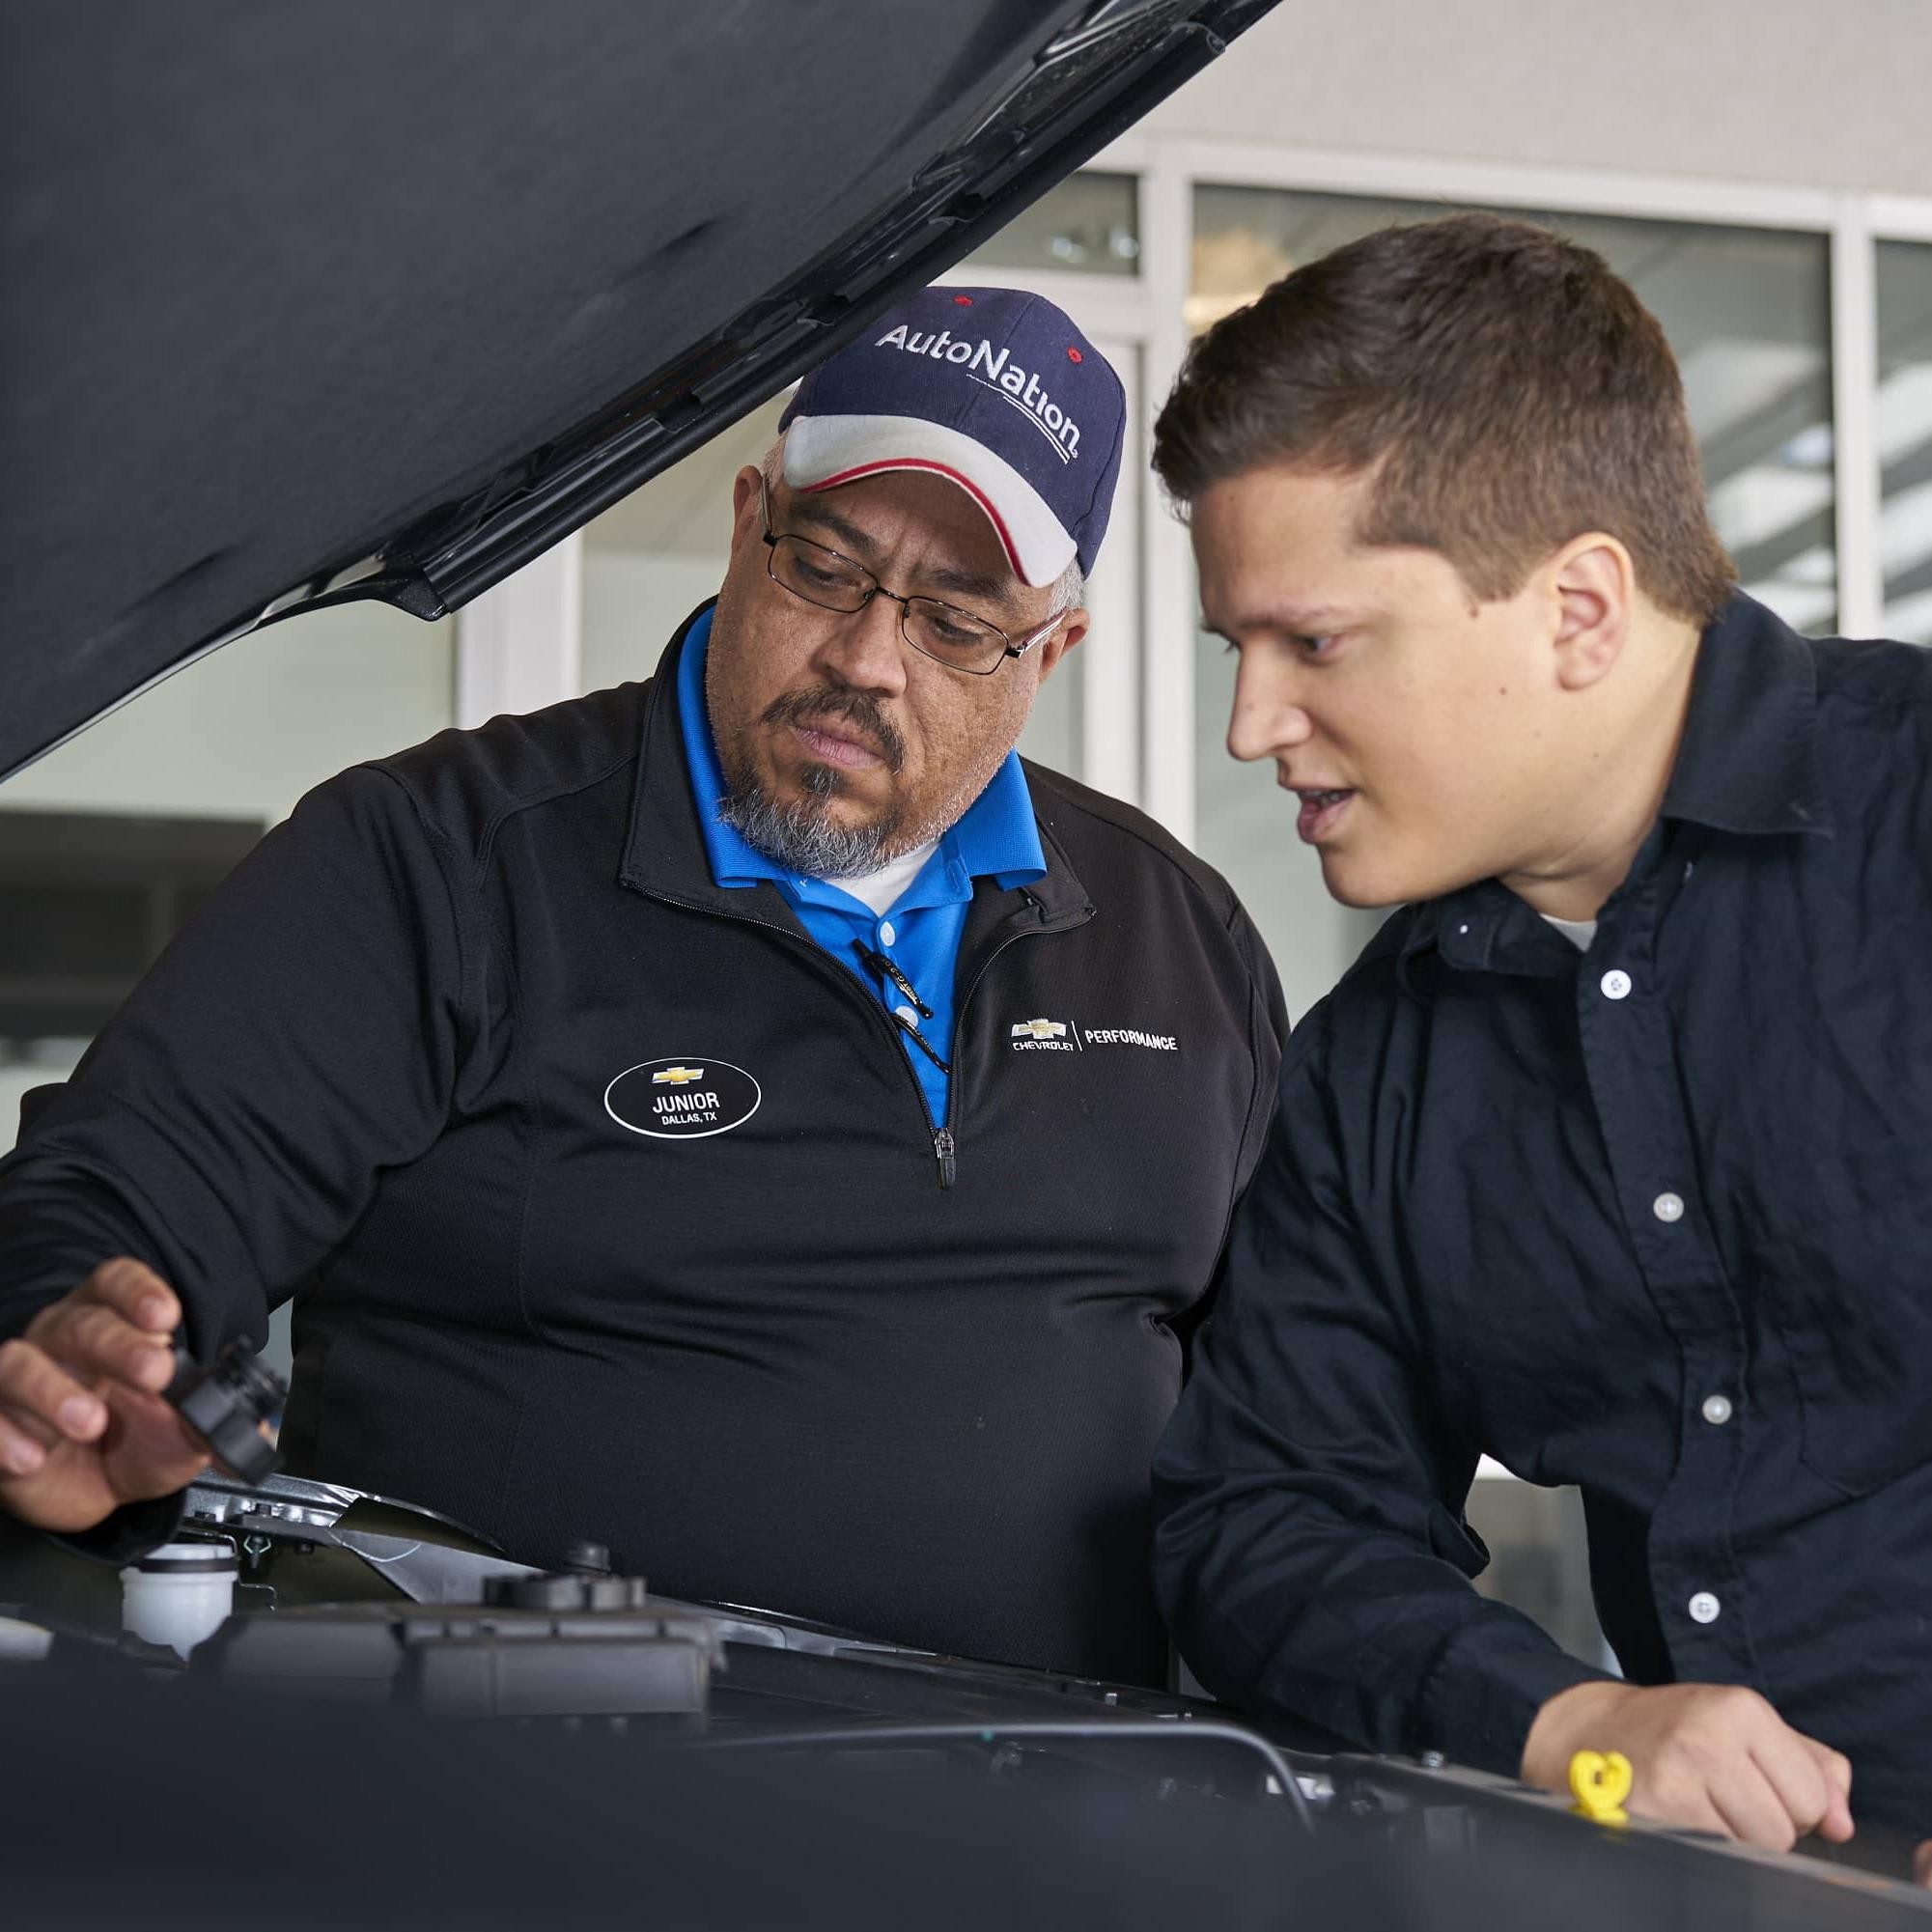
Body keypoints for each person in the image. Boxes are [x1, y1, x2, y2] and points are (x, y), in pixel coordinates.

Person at [0, 285, 1285, 1686]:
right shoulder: (442, 860)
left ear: (1052, 652)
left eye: (956, 623)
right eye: (823, 569)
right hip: (531, 1822)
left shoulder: (1177, 936)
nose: (863, 658)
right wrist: (70, 1346)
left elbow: (1292, 1427)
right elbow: (124, 1188)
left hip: (1058, 1844)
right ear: (747, 525)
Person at [1148, 213, 1932, 1851]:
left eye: (1316, 640)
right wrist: (1562, 1718)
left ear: (1577, 606)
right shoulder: (1375, 1065)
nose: (1253, 724)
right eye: (1240, 647)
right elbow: (1269, 1513)